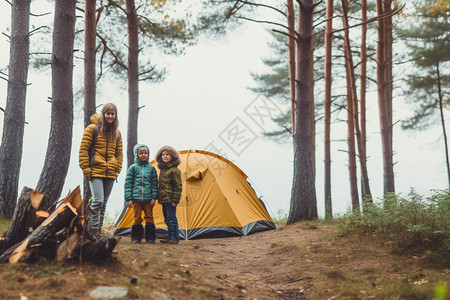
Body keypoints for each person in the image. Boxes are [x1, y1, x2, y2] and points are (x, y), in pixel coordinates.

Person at [79, 103, 123, 239]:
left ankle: (98, 232)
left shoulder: (117, 133)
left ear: (115, 116)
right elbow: (83, 150)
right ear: (103, 114)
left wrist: (117, 169)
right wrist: (86, 168)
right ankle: (91, 231)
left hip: (110, 172)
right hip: (95, 170)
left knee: (103, 202)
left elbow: (119, 153)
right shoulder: (93, 129)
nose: (110, 116)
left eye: (113, 114)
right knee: (97, 200)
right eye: (108, 113)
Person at [124, 144, 158, 244]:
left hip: (148, 199)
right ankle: (136, 238)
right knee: (137, 217)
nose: (144, 155)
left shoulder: (151, 169)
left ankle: (150, 238)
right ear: (137, 154)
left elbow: (155, 184)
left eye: (145, 153)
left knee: (149, 217)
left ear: (148, 154)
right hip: (136, 199)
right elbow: (128, 184)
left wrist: (154, 197)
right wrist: (129, 198)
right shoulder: (133, 168)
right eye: (141, 153)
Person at [154, 145, 182, 244]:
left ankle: (174, 238)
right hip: (164, 199)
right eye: (163, 155)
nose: (165, 156)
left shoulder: (175, 170)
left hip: (170, 199)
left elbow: (178, 186)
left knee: (171, 219)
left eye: (167, 155)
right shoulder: (163, 169)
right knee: (167, 219)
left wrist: (175, 200)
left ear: (172, 156)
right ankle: (170, 236)